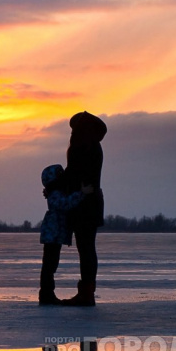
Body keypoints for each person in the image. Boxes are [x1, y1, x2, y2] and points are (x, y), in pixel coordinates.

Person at [61, 111, 107, 307]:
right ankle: (87, 291)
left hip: (84, 203)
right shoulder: (93, 146)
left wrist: (55, 185)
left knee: (86, 247)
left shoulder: (83, 147)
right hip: (91, 201)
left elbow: (73, 174)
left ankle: (86, 294)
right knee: (87, 247)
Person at [39, 164, 93, 305]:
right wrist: (82, 193)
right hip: (52, 235)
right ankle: (46, 293)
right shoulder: (55, 194)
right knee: (49, 265)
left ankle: (47, 293)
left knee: (51, 264)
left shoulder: (56, 192)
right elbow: (66, 204)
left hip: (55, 235)